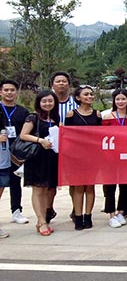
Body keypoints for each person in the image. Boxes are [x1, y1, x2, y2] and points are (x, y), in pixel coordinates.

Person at [18, 91, 60, 236]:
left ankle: (42, 220)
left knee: (46, 190)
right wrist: (40, 140)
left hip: (51, 158)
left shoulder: (55, 118)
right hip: (37, 158)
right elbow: (23, 135)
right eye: (44, 101)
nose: (47, 104)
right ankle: (41, 221)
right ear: (39, 103)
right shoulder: (33, 117)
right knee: (38, 190)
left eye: (50, 101)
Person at [63, 85, 101, 230]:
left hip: (93, 156)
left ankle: (88, 216)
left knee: (90, 186)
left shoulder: (97, 114)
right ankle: (78, 217)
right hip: (76, 156)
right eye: (86, 94)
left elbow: (100, 136)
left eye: (91, 94)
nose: (90, 96)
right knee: (78, 187)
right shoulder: (71, 115)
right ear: (78, 97)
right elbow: (67, 136)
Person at [101, 89, 127, 228]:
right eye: (117, 99)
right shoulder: (107, 117)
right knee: (110, 186)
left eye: (123, 99)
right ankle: (111, 213)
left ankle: (121, 212)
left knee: (126, 186)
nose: (120, 102)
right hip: (110, 157)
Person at [0, 79, 31, 225]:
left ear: (16, 92)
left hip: (16, 152)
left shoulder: (22, 111)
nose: (9, 92)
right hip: (1, 151)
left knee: (15, 182)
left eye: (12, 90)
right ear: (1, 92)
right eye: (6, 90)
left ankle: (16, 211)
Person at [48, 71, 77, 223]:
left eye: (64, 81)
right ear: (52, 84)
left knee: (74, 181)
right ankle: (48, 209)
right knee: (50, 182)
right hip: (51, 148)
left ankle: (76, 210)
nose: (61, 84)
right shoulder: (47, 103)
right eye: (58, 81)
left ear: (69, 84)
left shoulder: (76, 103)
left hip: (72, 149)